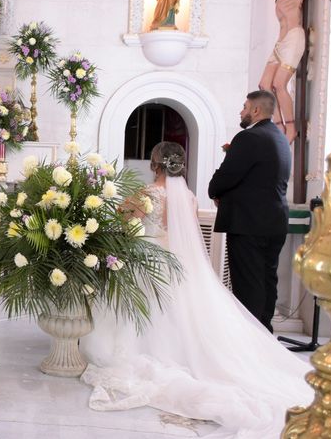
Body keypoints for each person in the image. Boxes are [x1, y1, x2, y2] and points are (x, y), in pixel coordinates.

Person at [81, 141, 310, 438]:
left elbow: (123, 224)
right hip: (181, 265)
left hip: (150, 261)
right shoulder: (188, 197)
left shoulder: (146, 194)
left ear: (154, 164)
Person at [208, 90, 291, 334]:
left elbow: (225, 178)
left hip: (248, 224)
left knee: (248, 285)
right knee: (266, 281)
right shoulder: (280, 138)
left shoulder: (249, 138)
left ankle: (251, 339)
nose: (241, 112)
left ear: (256, 110)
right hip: (274, 222)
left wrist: (215, 190)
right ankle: (264, 335)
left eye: (245, 107)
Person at [258, 0, 329, 143]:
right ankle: (278, 125)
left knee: (280, 84)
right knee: (264, 85)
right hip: (280, 44)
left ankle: (290, 129)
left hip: (293, 38)